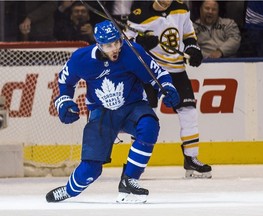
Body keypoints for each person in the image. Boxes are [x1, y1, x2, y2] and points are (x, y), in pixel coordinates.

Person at [45, 20, 180, 204]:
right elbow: (65, 81)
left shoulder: (133, 52)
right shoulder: (81, 59)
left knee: (149, 126)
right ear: (99, 44)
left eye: (117, 42)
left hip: (133, 106)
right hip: (102, 112)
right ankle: (69, 190)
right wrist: (64, 101)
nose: (115, 48)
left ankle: (129, 180)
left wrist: (167, 87)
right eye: (109, 45)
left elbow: (158, 74)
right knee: (91, 169)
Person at [126, 0, 212, 178]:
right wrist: (140, 43)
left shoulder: (181, 8)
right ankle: (133, 163)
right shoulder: (139, 13)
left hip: (176, 70)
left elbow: (189, 35)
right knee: (143, 115)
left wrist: (193, 49)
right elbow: (126, 44)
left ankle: (191, 158)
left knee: (189, 111)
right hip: (150, 70)